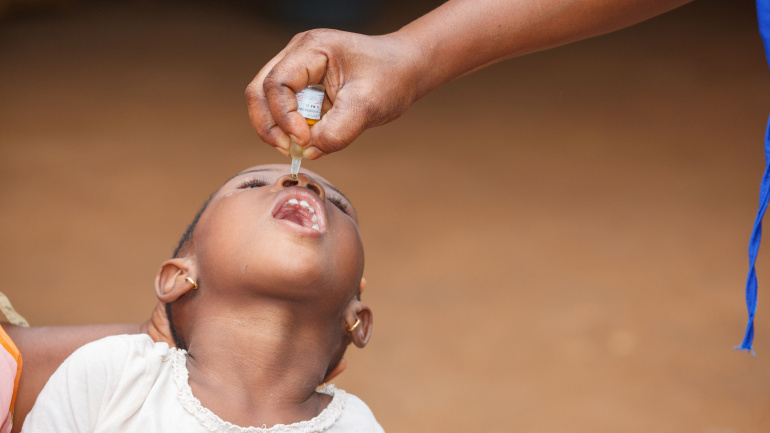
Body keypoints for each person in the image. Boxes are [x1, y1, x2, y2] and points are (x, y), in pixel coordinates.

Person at [21, 164, 383, 432]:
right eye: (253, 184)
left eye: (337, 204)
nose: (301, 181)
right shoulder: (113, 377)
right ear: (179, 277)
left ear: (356, 321)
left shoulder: (357, 425)